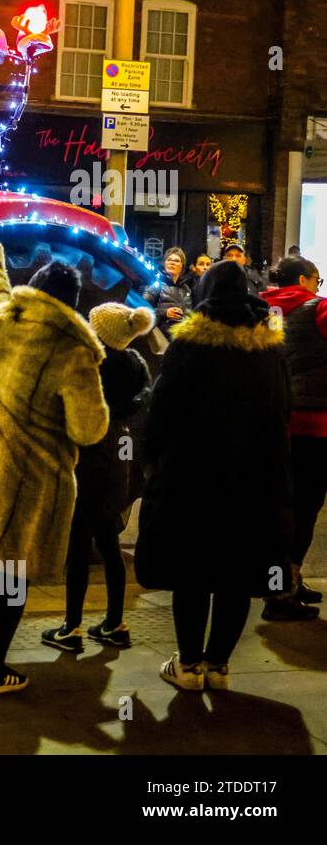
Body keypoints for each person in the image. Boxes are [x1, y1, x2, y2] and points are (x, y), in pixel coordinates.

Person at [0, 196, 110, 695]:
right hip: (34, 482)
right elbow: (90, 428)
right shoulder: (76, 351)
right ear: (74, 305)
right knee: (14, 576)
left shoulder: (3, 319)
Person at [136, 260, 295, 691]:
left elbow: (163, 410)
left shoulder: (190, 346)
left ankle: (188, 666)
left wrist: (153, 461)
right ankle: (219, 664)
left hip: (193, 478)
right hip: (254, 478)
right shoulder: (270, 350)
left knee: (193, 571)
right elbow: (284, 412)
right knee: (237, 573)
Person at [42, 303, 154, 652]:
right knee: (109, 543)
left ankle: (71, 628)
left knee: (78, 546)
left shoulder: (89, 362)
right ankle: (115, 622)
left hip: (87, 458)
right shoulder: (136, 364)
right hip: (118, 462)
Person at [259, 255, 327, 616]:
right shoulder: (319, 308)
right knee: (306, 507)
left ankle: (280, 583)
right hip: (315, 425)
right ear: (303, 279)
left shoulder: (264, 309)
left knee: (279, 507)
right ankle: (282, 592)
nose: (318, 287)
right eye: (317, 280)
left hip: (274, 422)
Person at [144, 247, 191, 335]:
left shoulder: (186, 288)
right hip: (160, 337)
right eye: (169, 260)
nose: (172, 262)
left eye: (177, 261)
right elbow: (142, 310)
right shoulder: (156, 285)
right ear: (164, 263)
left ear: (182, 266)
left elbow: (190, 314)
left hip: (182, 337)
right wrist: (164, 313)